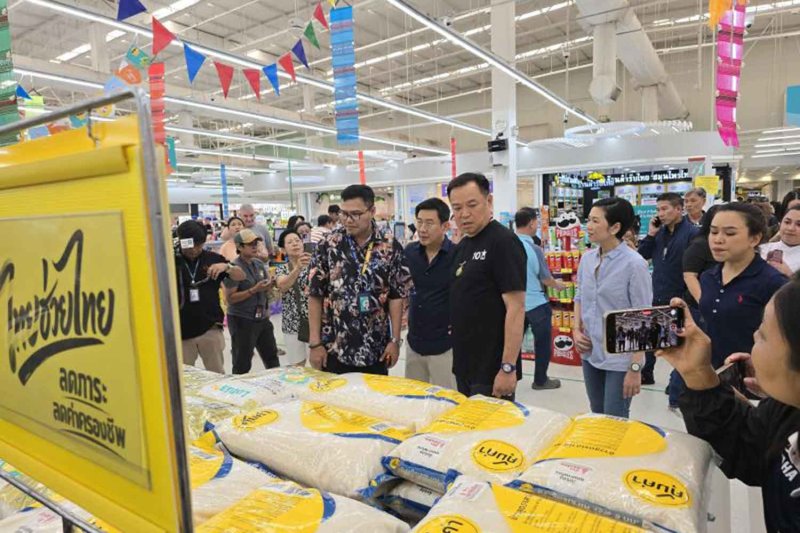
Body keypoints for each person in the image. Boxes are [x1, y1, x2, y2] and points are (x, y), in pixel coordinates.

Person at [657, 282, 800, 533]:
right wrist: (698, 373)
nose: (754, 337)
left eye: (764, 334)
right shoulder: (788, 409)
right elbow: (746, 448)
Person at [308, 185, 412, 375]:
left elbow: (397, 296)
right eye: (344, 214)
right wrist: (315, 343)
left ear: (372, 211)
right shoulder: (328, 245)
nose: (348, 220)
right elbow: (314, 294)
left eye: (355, 214)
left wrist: (395, 340)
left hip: (376, 347)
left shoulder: (390, 247)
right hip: (334, 347)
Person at [448, 173, 526, 400]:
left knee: (491, 432)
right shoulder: (463, 246)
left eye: (472, 205)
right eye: (457, 207)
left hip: (492, 369)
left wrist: (508, 367)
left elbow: (516, 308)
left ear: (489, 202)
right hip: (465, 363)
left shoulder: (503, 242)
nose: (464, 214)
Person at [574, 198, 652, 418]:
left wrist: (636, 368)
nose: (588, 226)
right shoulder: (587, 259)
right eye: (588, 219)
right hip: (590, 351)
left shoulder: (634, 264)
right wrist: (576, 330)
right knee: (597, 413)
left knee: (614, 418)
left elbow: (644, 318)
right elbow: (579, 296)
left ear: (615, 227)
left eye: (595, 221)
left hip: (621, 357)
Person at [700, 203, 788, 370]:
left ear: (754, 239)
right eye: (713, 231)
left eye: (730, 233)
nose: (718, 239)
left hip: (752, 380)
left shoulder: (772, 282)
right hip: (709, 374)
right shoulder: (708, 277)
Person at [638, 192, 698, 385]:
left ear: (679, 209)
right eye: (658, 209)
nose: (660, 213)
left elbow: (696, 268)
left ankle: (677, 383)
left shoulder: (692, 233)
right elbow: (641, 257)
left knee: (679, 344)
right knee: (651, 341)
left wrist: (688, 296)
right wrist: (651, 234)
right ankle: (647, 373)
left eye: (665, 209)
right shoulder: (659, 233)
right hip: (657, 292)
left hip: (680, 297)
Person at [175, 221, 246, 373]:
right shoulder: (172, 261)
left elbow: (241, 275)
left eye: (198, 245)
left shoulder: (213, 259)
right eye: (190, 245)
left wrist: (227, 266)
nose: (194, 250)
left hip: (210, 328)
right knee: (184, 377)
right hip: (181, 332)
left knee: (216, 374)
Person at [670, 205, 721, 408]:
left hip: (713, 309)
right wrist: (704, 303)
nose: (721, 237)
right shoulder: (700, 245)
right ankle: (676, 398)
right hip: (697, 308)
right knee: (690, 353)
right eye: (717, 229)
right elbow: (689, 275)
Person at [404, 198, 457, 389]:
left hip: (445, 345)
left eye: (429, 223)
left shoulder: (457, 256)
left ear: (445, 226)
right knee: (413, 399)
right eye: (419, 222)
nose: (422, 228)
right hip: (414, 342)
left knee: (448, 402)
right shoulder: (409, 253)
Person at [514, 207, 566, 390]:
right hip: (536, 304)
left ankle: (511, 376)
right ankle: (540, 380)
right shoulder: (533, 248)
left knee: (513, 343)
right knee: (542, 344)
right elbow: (545, 278)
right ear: (531, 224)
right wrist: (558, 285)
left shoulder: (506, 245)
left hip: (513, 306)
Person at [223, 229, 280, 374]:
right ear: (240, 247)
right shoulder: (234, 269)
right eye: (250, 244)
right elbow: (229, 298)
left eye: (256, 243)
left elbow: (265, 288)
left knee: (272, 358)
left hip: (262, 318)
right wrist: (253, 290)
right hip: (242, 319)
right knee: (242, 362)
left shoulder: (258, 264)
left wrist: (270, 285)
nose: (254, 246)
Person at [275, 229, 312, 366]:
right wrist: (297, 268)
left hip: (315, 321)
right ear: (283, 250)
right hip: (292, 323)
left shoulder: (315, 265)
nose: (295, 244)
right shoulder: (282, 268)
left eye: (297, 240)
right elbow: (282, 286)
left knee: (318, 364)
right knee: (297, 366)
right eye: (290, 242)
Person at [761, 206, 800, 276]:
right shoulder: (762, 249)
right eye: (787, 222)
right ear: (780, 223)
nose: (791, 228)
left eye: (799, 225)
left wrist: (790, 275)